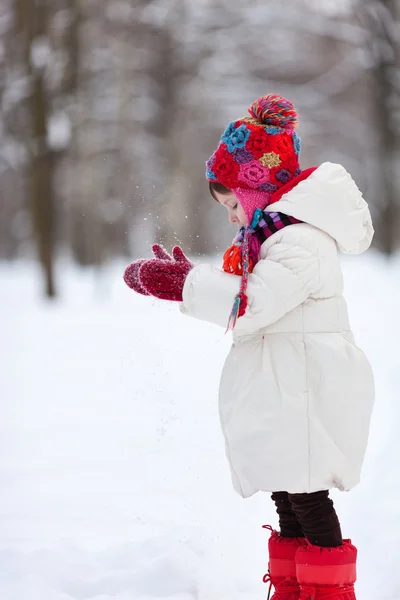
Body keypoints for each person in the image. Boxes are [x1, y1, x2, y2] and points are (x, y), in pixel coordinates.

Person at [124, 94, 375, 600]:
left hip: (307, 390)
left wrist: (186, 285)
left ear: (260, 186)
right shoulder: (273, 237)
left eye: (235, 204)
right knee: (287, 493)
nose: (235, 218)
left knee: (307, 496)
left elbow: (255, 303)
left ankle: (327, 593)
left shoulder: (300, 239)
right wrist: (192, 283)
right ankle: (292, 589)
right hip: (289, 386)